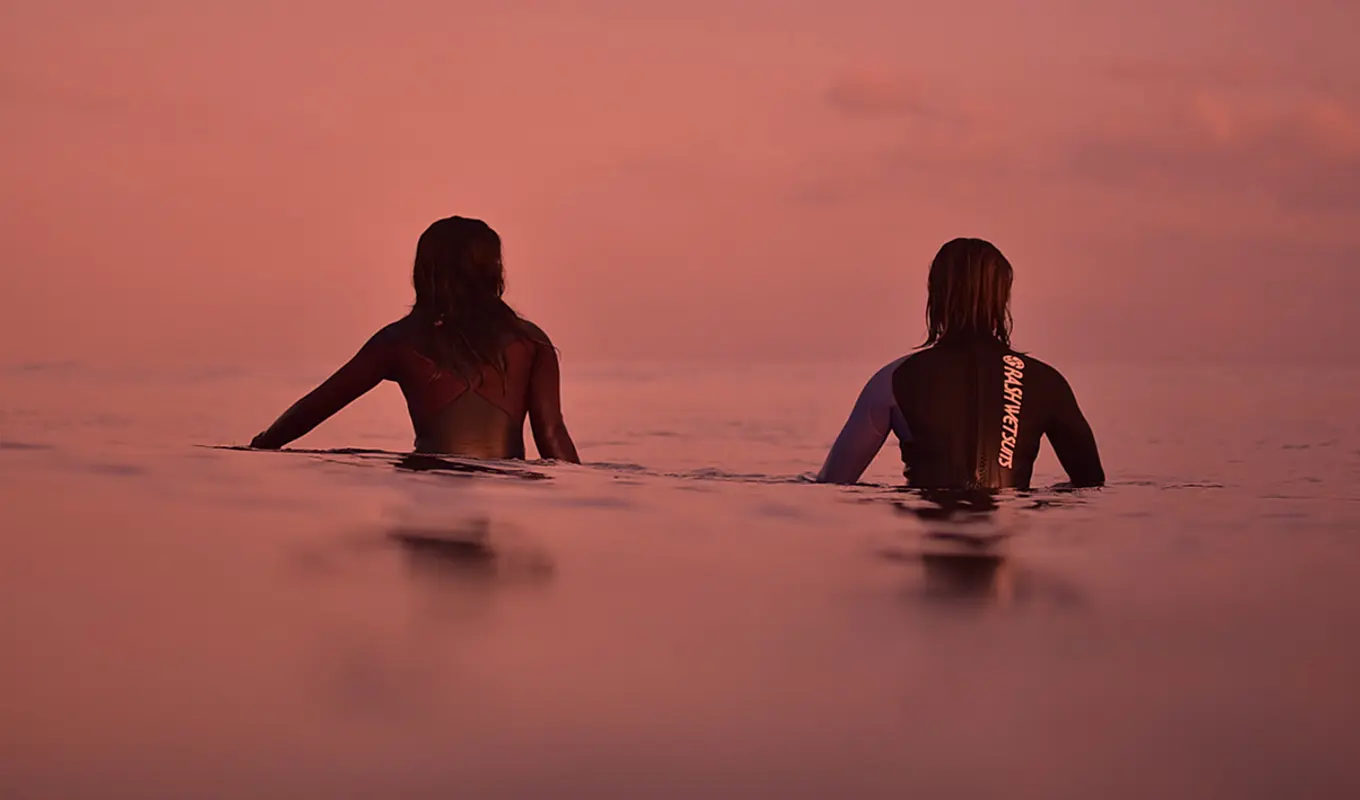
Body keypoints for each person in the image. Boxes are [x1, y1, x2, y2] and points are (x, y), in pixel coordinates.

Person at [249, 216, 580, 463]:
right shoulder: (531, 341)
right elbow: (552, 435)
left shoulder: (400, 341)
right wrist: (581, 496)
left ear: (424, 271)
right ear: (493, 271)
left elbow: (317, 405)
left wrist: (261, 445)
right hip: (508, 489)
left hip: (430, 486)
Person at [816, 237, 1103, 490]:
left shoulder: (892, 380)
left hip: (928, 539)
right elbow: (1091, 483)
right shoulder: (1047, 382)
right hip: (1012, 529)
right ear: (1002, 296)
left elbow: (834, 483)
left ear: (936, 296)